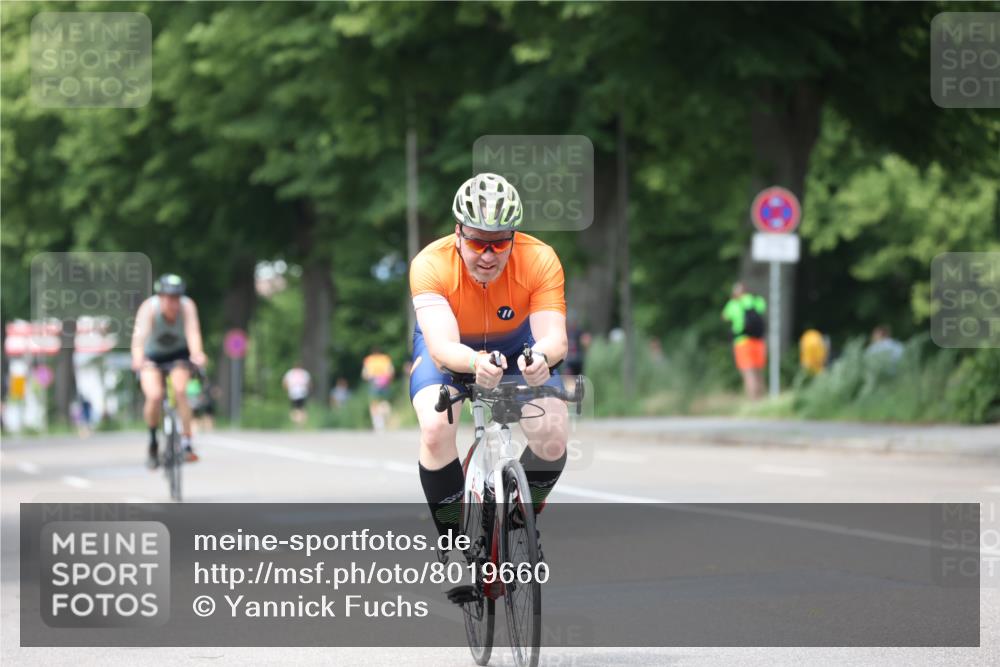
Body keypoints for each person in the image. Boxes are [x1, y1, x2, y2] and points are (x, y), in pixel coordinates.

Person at [409, 172, 570, 591]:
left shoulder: (540, 258)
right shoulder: (430, 264)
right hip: (453, 347)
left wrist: (542, 358)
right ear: (458, 232)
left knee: (553, 432)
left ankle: (520, 520)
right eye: (478, 242)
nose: (488, 254)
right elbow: (442, 345)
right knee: (434, 427)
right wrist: (474, 363)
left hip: (517, 345)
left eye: (500, 242)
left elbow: (554, 336)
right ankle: (452, 529)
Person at [131, 274, 207, 468]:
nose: (173, 303)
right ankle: (153, 440)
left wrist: (198, 354)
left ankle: (187, 443)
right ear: (160, 296)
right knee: (154, 396)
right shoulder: (149, 309)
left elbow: (193, 332)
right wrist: (138, 359)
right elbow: (138, 340)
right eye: (168, 297)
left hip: (179, 354)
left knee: (180, 390)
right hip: (152, 356)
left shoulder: (187, 307)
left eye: (176, 298)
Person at [722, 282, 767, 399]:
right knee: (759, 372)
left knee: (748, 372)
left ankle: (753, 400)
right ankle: (761, 399)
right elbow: (763, 308)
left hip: (742, 341)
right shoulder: (755, 300)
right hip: (758, 341)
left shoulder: (734, 303)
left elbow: (725, 316)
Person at [361, 347, 395, 431]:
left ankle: (377, 422)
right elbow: (391, 372)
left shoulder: (369, 360)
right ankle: (384, 419)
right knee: (384, 402)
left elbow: (364, 374)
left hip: (373, 382)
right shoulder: (385, 359)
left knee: (374, 403)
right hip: (384, 382)